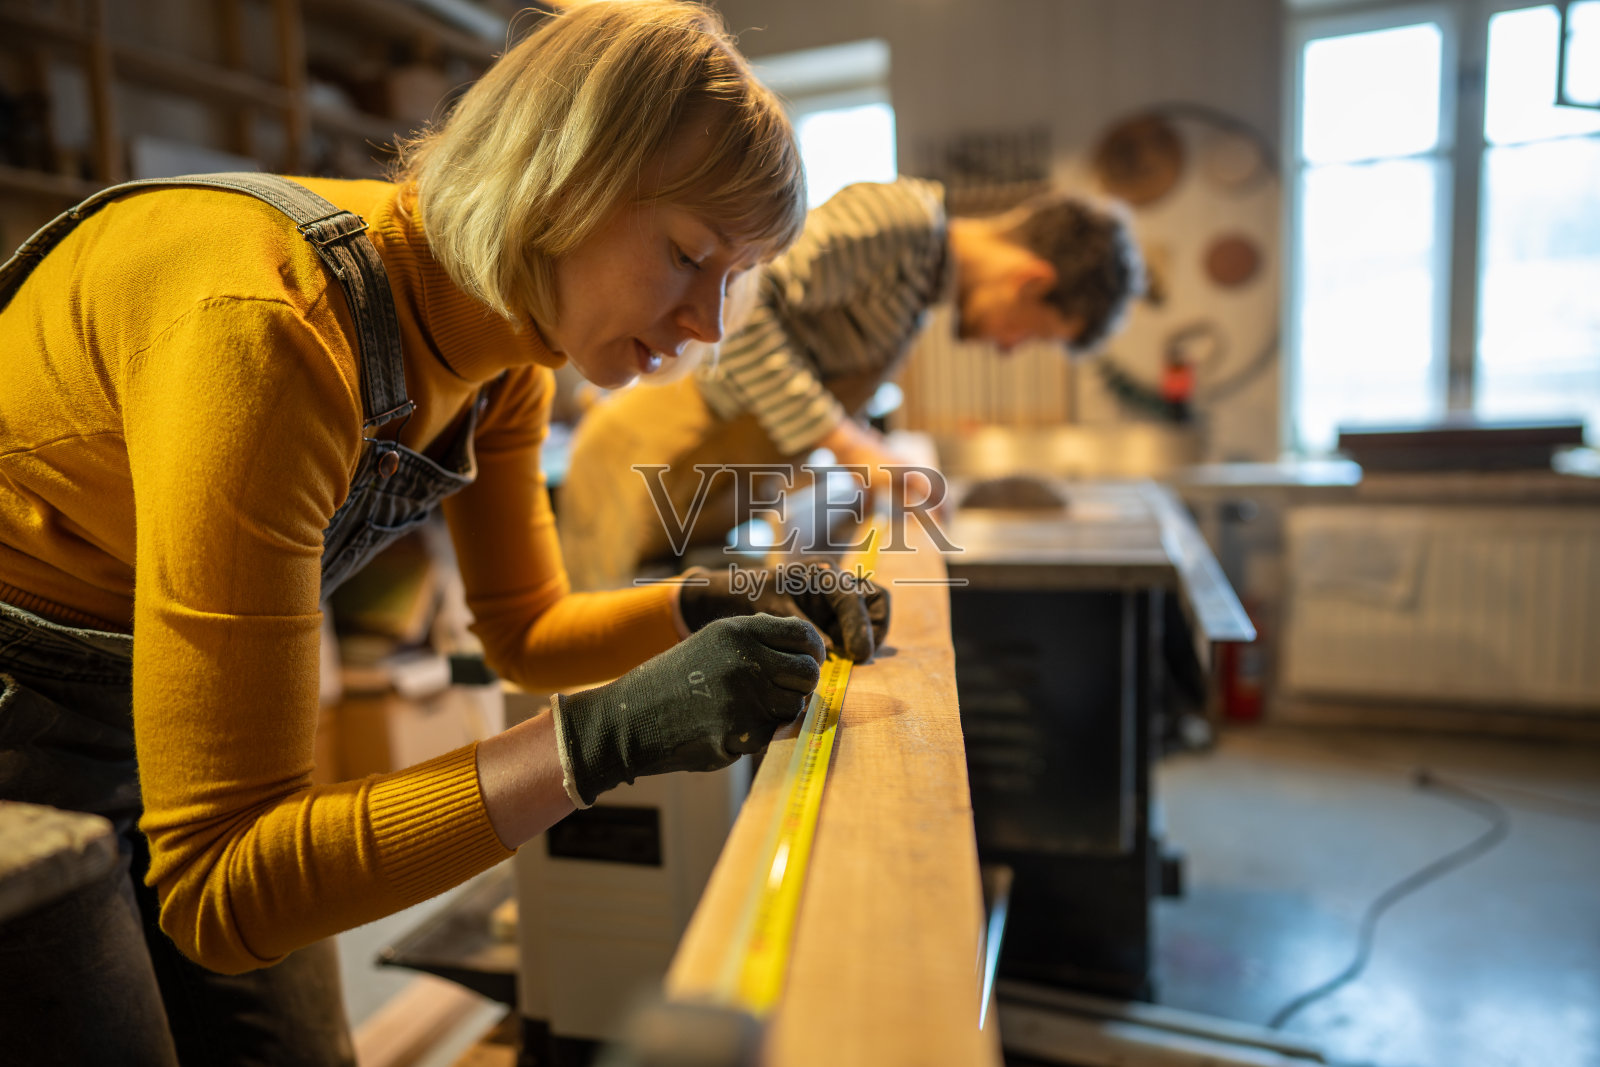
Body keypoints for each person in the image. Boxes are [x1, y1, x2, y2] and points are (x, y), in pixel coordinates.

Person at [0, 3, 887, 1063]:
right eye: (689, 255)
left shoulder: (506, 351)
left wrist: (713, 598)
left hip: (145, 686)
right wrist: (603, 738)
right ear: (561, 180)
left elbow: (526, 628)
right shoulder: (274, 335)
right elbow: (226, 883)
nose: (710, 324)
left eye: (736, 278)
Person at [558, 177, 1146, 592]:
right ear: (1030, 279)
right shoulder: (902, 225)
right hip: (644, 461)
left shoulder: (915, 295)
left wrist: (869, 456)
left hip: (695, 491)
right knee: (592, 679)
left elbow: (806, 363)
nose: (1010, 348)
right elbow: (742, 309)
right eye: (1034, 335)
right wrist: (850, 445)